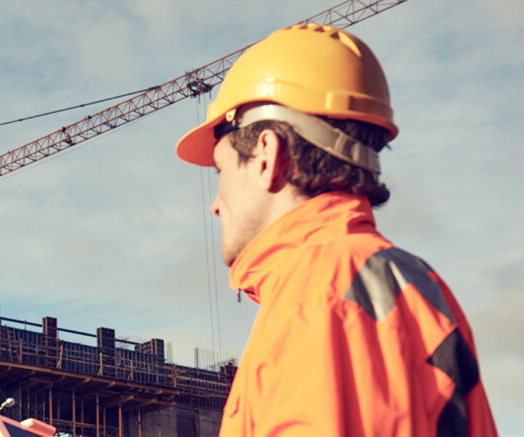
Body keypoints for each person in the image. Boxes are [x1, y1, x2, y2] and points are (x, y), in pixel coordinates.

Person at [174, 24, 497, 436]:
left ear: (265, 157)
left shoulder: (317, 298)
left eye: (220, 170)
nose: (215, 204)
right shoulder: (418, 286)